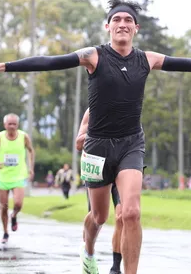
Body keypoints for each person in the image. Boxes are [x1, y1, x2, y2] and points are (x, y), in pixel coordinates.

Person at [0, 0, 191, 274]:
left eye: (129, 20)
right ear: (108, 27)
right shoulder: (94, 55)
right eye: (117, 19)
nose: (122, 23)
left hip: (130, 143)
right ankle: (88, 251)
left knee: (131, 213)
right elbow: (50, 61)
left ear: (136, 28)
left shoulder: (147, 59)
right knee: (99, 217)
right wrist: (1, 66)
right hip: (97, 147)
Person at [77, 108, 123, 274]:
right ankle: (88, 253)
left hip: (120, 167)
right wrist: (102, 133)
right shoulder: (93, 110)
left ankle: (115, 268)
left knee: (122, 216)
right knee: (98, 218)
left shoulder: (128, 105)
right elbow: (78, 143)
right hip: (97, 165)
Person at [0, 113, 35, 244]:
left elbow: (31, 151)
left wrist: (31, 168)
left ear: (17, 125)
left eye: (14, 124)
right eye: (9, 124)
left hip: (19, 175)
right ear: (5, 125)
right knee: (4, 206)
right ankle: (5, 232)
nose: (12, 126)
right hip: (3, 176)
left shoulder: (24, 137)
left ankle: (14, 215)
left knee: (18, 203)